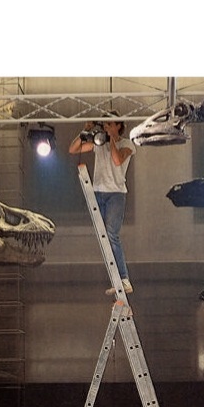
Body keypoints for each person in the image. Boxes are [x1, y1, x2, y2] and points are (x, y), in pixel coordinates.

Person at [69, 113, 136, 294]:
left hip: (116, 194)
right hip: (98, 192)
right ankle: (116, 282)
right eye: (104, 124)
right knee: (103, 237)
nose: (106, 127)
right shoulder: (99, 142)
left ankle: (124, 279)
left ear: (118, 126)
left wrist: (111, 139)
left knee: (112, 235)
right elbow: (73, 149)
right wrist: (86, 130)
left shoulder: (127, 144)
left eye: (109, 124)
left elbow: (117, 160)